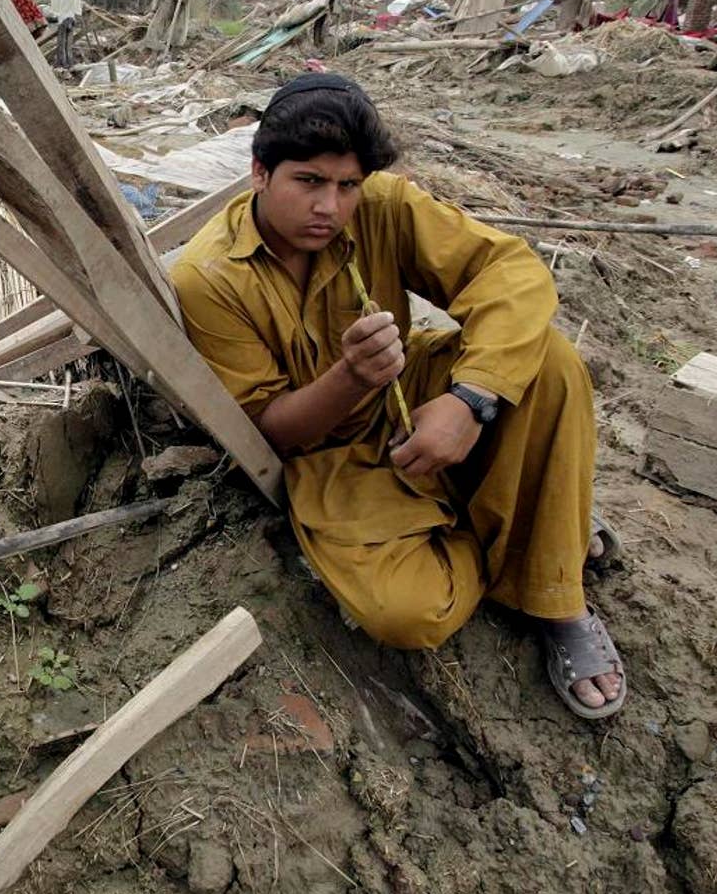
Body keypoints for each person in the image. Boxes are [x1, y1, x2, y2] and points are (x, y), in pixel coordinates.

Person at [169, 74, 627, 719]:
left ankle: (560, 599)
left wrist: (470, 400)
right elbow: (268, 431)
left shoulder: (384, 205)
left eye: (346, 186)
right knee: (408, 614)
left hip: (412, 392)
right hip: (332, 455)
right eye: (308, 182)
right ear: (259, 173)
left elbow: (510, 271)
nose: (329, 206)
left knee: (550, 361)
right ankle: (536, 521)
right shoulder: (208, 276)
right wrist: (350, 377)